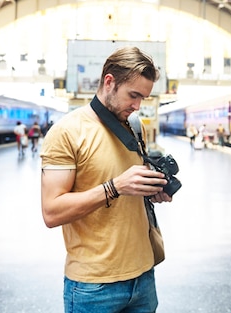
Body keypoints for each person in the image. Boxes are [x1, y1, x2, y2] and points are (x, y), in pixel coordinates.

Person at [40, 46, 173, 313]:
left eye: (143, 98)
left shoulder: (135, 127)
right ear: (109, 82)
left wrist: (151, 191)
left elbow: (130, 190)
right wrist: (115, 187)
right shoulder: (67, 132)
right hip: (94, 286)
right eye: (133, 95)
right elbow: (51, 212)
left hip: (143, 276)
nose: (137, 106)